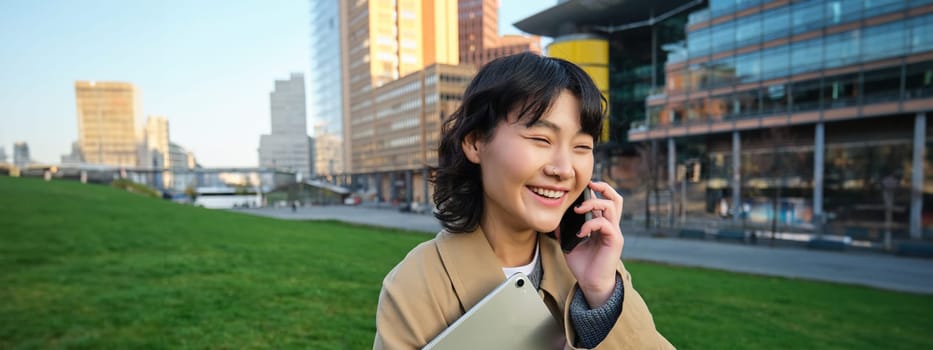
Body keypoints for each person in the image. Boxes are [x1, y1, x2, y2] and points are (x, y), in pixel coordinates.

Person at [373, 53, 673, 349]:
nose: (564, 169)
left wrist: (600, 293)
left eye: (582, 146)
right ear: (475, 143)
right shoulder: (416, 284)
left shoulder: (597, 270)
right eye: (541, 140)